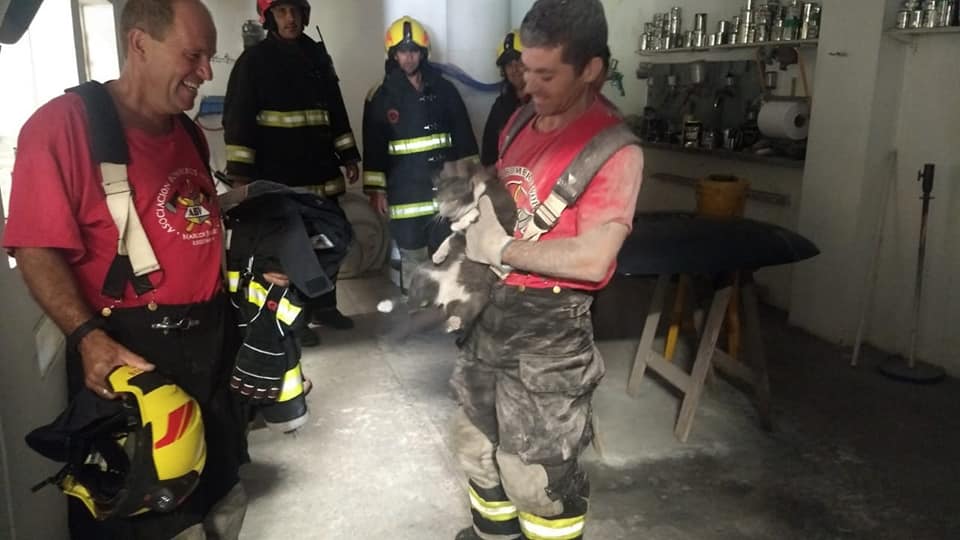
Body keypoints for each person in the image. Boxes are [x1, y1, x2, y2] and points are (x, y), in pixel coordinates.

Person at [1, 1, 263, 538]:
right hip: (134, 358)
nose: (207, 72)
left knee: (222, 496)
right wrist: (86, 337)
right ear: (140, 43)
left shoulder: (185, 132)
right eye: (193, 55)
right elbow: (33, 247)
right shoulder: (63, 127)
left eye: (209, 58)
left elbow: (187, 225)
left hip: (211, 350)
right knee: (154, 520)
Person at [449, 1, 644, 539]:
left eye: (544, 74)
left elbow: (595, 258)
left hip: (551, 335)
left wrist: (502, 248)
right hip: (489, 314)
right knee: (475, 448)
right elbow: (506, 188)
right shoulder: (519, 120)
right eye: (523, 69)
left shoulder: (614, 149)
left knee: (537, 476)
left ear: (590, 69)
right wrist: (470, 197)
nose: (526, 84)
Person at [223, 0, 361, 347]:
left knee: (330, 241)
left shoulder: (317, 57)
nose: (290, 18)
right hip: (280, 178)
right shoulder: (253, 62)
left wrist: (348, 154)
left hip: (321, 173)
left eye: (295, 11)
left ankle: (325, 306)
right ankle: (295, 320)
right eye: (282, 11)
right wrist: (241, 177)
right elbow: (238, 121)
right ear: (269, 17)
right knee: (291, 252)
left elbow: (335, 108)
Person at [362, 15, 479, 293]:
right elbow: (374, 146)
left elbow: (463, 137)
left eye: (414, 51)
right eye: (402, 52)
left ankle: (446, 307)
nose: (409, 58)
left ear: (423, 53)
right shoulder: (381, 96)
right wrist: (376, 190)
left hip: (444, 191)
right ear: (393, 54)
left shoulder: (444, 89)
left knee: (448, 251)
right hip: (405, 193)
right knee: (412, 254)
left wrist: (472, 181)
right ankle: (416, 312)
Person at [480, 29, 528, 167]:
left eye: (519, 61)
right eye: (508, 64)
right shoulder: (500, 107)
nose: (514, 69)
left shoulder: (543, 103)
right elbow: (488, 155)